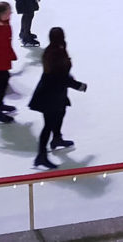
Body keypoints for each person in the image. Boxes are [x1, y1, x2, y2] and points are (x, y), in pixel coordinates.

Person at [29, 28, 87, 169]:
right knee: (49, 124)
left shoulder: (58, 49)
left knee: (60, 113)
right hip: (50, 94)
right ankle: (41, 156)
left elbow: (62, 74)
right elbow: (59, 77)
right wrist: (78, 85)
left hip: (56, 92)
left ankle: (56, 139)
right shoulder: (54, 53)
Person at [0, 1, 17, 124]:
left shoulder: (3, 23)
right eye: (8, 12)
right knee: (3, 81)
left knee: (4, 80)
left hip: (0, 59)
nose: (11, 13)